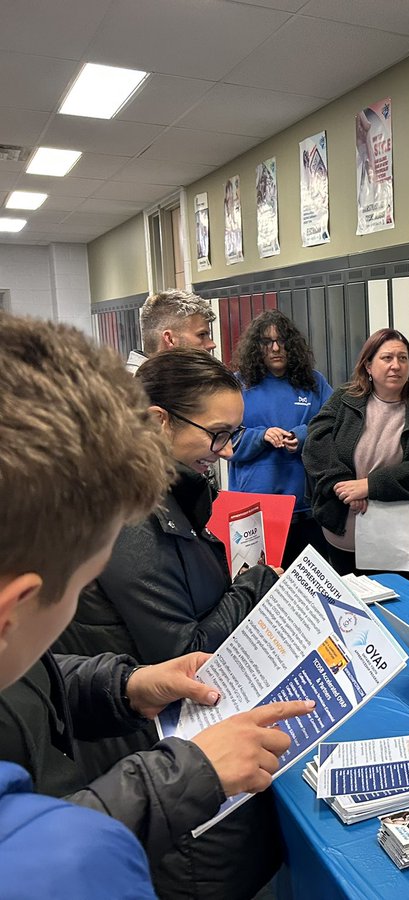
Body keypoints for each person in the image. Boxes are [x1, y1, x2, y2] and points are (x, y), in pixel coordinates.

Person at [0, 313, 313, 898]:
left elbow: (39, 681)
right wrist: (187, 773)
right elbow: (45, 856)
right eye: (81, 589)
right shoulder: (133, 532)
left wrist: (125, 685)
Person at [58, 349, 278, 665]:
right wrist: (253, 585)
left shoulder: (158, 490)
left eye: (234, 434)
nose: (228, 451)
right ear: (158, 421)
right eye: (218, 434)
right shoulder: (127, 513)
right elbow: (183, 655)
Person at [303, 328, 409, 583]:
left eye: (403, 358)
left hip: (399, 545)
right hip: (343, 535)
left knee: (398, 613)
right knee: (349, 615)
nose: (396, 366)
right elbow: (316, 443)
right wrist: (343, 486)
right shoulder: (345, 400)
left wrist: (369, 487)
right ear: (368, 365)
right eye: (387, 358)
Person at [229, 310, 333, 566]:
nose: (276, 348)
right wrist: (262, 436)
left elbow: (332, 426)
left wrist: (302, 435)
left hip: (305, 510)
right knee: (256, 591)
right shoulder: (237, 386)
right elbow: (223, 441)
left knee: (307, 594)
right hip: (252, 514)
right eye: (267, 342)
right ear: (257, 347)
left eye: (282, 341)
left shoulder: (313, 383)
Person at [125, 289, 217, 372]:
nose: (212, 344)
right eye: (202, 335)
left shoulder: (166, 380)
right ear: (170, 339)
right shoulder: (137, 388)